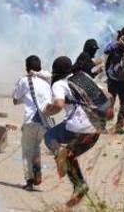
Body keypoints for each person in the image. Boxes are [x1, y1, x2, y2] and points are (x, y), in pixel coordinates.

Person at [44, 56, 100, 207]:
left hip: (78, 127)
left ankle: (58, 155)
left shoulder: (60, 84)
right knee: (70, 155)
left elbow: (59, 105)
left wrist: (48, 110)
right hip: (96, 129)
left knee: (50, 136)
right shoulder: (84, 78)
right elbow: (106, 98)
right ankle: (80, 185)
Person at [12, 55, 53, 191]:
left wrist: (24, 96)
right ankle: (37, 172)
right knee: (36, 148)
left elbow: (15, 99)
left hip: (30, 120)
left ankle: (29, 181)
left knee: (27, 151)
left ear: (27, 67)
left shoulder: (24, 80)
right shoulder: (47, 82)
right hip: (45, 122)